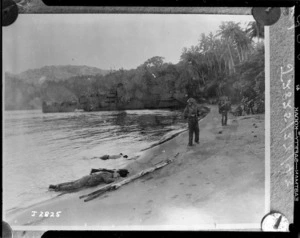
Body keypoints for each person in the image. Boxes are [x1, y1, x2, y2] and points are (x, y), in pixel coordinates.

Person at [49, 169, 129, 192]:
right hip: (88, 179)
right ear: (117, 172)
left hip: (87, 178)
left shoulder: (111, 173)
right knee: (74, 186)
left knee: (73, 183)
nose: (116, 177)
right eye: (117, 175)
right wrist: (116, 179)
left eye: (118, 176)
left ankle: (57, 185)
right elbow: (107, 180)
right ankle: (56, 188)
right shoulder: (108, 174)